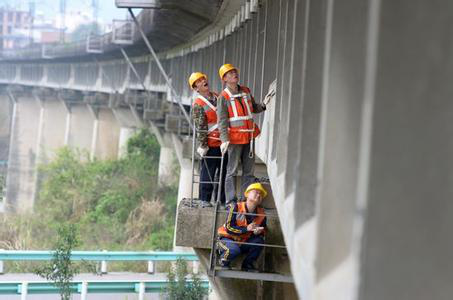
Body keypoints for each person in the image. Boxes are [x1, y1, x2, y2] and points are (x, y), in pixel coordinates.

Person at [216, 64, 272, 205]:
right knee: (232, 170)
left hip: (249, 136)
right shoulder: (223, 97)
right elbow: (222, 120)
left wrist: (264, 104)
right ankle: (230, 200)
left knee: (249, 171)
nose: (234, 74)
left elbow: (253, 108)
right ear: (224, 79)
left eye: (235, 72)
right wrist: (224, 140)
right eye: (230, 73)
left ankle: (243, 198)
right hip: (234, 139)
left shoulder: (246, 91)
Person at [189, 72, 228, 207]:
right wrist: (203, 145)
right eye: (198, 81)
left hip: (224, 141)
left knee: (224, 172)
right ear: (196, 88)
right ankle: (204, 199)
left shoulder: (217, 96)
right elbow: (200, 127)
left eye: (203, 78)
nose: (203, 81)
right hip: (211, 144)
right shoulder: (198, 104)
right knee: (208, 172)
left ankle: (222, 200)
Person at [217, 182, 268, 272]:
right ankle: (224, 261)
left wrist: (258, 232)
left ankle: (247, 265)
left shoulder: (262, 213)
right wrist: (246, 229)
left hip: (244, 242)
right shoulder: (236, 207)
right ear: (247, 194)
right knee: (233, 250)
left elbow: (264, 230)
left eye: (261, 194)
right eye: (256, 192)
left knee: (259, 241)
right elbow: (229, 227)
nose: (259, 194)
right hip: (227, 238)